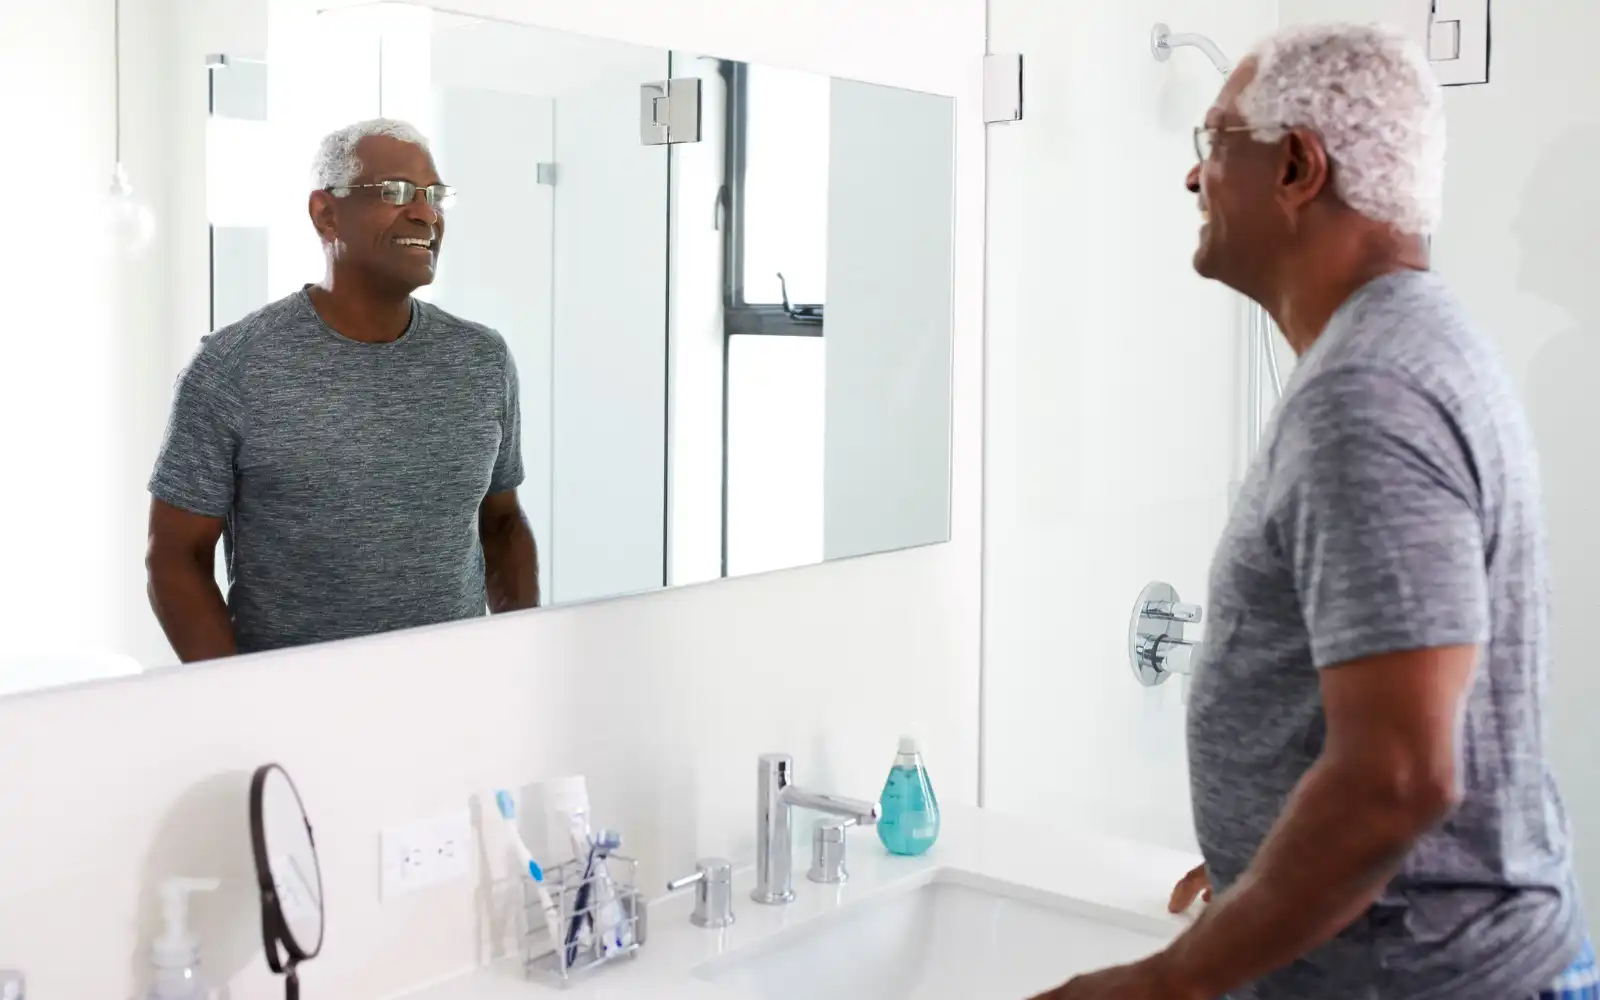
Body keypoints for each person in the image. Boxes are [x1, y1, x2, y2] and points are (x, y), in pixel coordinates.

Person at [1031, 23, 1590, 1000]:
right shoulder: (1395, 350)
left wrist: (1167, 982)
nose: (1193, 179)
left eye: (1212, 142)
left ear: (1295, 166)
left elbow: (1398, 778)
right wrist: (1271, 869)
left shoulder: (1368, 391)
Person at [146, 118, 538, 662]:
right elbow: (175, 559)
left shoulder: (481, 359)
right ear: (325, 212)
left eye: (433, 195)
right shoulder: (233, 368)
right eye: (396, 192)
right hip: (298, 710)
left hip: (455, 694)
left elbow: (501, 523)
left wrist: (522, 658)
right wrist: (237, 701)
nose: (425, 213)